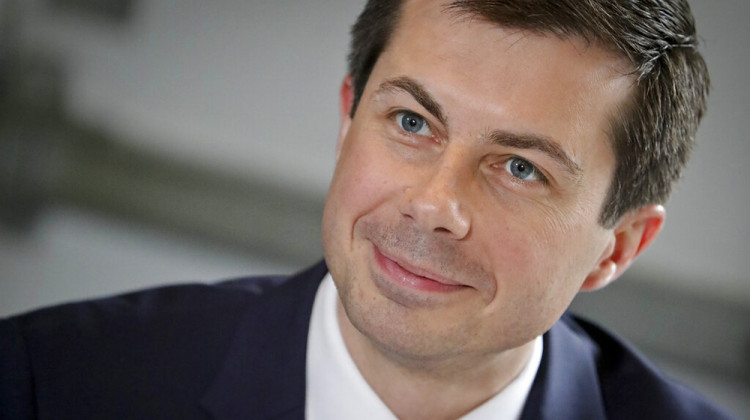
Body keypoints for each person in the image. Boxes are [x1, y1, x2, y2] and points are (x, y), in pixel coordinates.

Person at [0, 0, 737, 419]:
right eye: (413, 123)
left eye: (520, 167)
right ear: (348, 121)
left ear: (619, 247)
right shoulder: (48, 386)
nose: (433, 204)